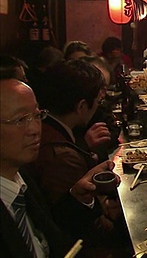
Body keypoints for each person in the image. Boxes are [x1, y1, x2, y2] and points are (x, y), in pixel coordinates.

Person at [0, 77, 119, 258]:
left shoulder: (20, 176)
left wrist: (78, 197)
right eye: (21, 119)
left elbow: (54, 234)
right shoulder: (55, 156)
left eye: (37, 115)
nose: (34, 129)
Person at [25, 59, 131, 255]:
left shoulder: (54, 130)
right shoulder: (61, 156)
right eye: (97, 103)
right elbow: (82, 229)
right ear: (82, 106)